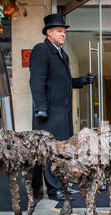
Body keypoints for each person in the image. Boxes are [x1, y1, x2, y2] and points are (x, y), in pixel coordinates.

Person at [30, 13, 94, 201]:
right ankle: (53, 189)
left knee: (62, 152)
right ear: (49, 33)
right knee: (50, 152)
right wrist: (40, 108)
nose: (63, 34)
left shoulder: (62, 54)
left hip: (63, 113)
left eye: (64, 31)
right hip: (48, 113)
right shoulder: (41, 50)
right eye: (59, 31)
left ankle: (63, 185)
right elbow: (36, 81)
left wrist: (82, 81)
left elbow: (64, 82)